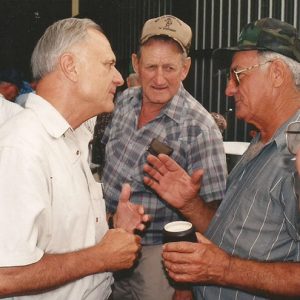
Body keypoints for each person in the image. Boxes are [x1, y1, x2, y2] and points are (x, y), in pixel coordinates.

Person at [143, 18, 300, 299]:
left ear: (277, 73)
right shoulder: (264, 139)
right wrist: (192, 205)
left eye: (238, 75)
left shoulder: (295, 151)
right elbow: (236, 235)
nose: (229, 89)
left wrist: (223, 270)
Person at [0, 17, 151, 299]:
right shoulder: (22, 148)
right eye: (108, 64)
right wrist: (101, 257)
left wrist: (113, 225)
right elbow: (4, 276)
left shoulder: (73, 136)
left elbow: (60, 235)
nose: (119, 77)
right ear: (70, 66)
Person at [101, 15, 227, 300]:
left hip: (159, 259)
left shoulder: (200, 128)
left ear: (186, 68)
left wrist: (184, 284)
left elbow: (217, 221)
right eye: (151, 67)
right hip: (107, 245)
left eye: (169, 68)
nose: (159, 79)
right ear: (135, 64)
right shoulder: (124, 102)